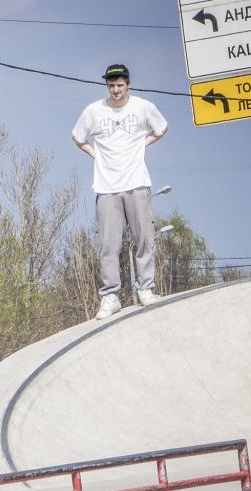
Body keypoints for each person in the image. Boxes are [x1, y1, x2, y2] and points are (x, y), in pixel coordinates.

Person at [72, 64, 168, 321]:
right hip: (106, 187)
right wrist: (96, 156)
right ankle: (111, 295)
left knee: (144, 238)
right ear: (107, 86)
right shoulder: (93, 111)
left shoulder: (142, 107)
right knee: (108, 244)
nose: (116, 89)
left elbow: (161, 128)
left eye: (120, 84)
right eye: (112, 85)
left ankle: (146, 288)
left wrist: (143, 144)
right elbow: (78, 137)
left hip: (137, 183)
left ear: (128, 84)